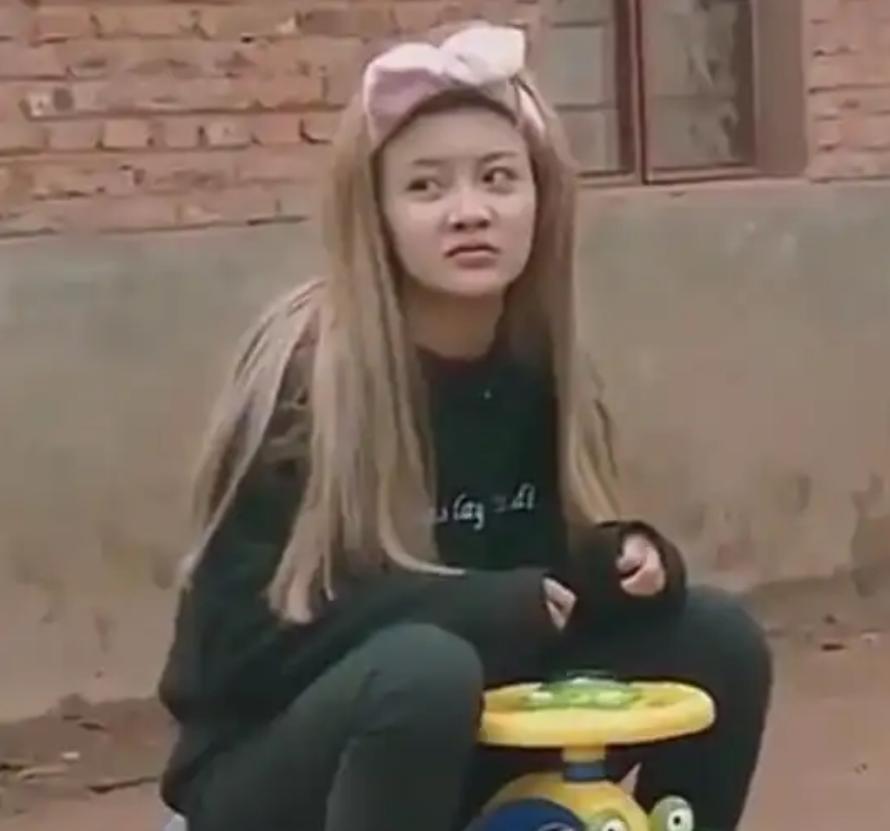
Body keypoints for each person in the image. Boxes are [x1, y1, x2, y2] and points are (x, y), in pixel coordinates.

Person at [157, 22, 772, 831]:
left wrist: (621, 565)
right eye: (426, 187)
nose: (469, 212)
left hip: (458, 731)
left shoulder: (541, 367)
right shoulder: (307, 382)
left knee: (716, 638)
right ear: (375, 214)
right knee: (424, 670)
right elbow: (231, 652)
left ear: (542, 200)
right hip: (273, 769)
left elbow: (536, 587)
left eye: (498, 178)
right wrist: (476, 608)